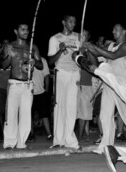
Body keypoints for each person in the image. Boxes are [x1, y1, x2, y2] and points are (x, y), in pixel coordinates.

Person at [83, 23, 126, 153]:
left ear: (124, 31)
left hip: (121, 83)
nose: (113, 31)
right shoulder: (110, 46)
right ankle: (106, 145)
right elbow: (97, 58)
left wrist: (93, 46)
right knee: (105, 114)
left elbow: (112, 56)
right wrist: (88, 49)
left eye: (116, 29)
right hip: (109, 83)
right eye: (113, 29)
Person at [0, 22, 43, 149]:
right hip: (14, 84)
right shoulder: (10, 46)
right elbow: (3, 65)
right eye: (23, 29)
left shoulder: (33, 47)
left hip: (28, 85)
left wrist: (35, 60)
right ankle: (9, 143)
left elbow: (41, 66)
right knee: (11, 114)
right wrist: (8, 56)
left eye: (27, 29)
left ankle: (22, 142)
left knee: (26, 115)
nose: (26, 32)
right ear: (16, 31)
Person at [48, 14, 81, 150]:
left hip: (75, 73)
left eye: (74, 22)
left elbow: (80, 56)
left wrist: (82, 52)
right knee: (60, 106)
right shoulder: (55, 39)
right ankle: (58, 140)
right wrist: (60, 50)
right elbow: (50, 61)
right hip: (61, 73)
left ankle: (70, 140)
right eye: (70, 21)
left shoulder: (78, 37)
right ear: (64, 22)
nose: (73, 24)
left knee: (72, 108)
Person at [76, 30, 97, 143]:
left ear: (88, 37)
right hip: (74, 84)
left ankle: (80, 137)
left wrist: (88, 52)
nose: (82, 36)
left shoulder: (89, 50)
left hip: (86, 84)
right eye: (81, 34)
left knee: (84, 113)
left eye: (84, 35)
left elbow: (94, 65)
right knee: (76, 112)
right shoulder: (75, 47)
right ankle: (76, 135)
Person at [31, 57, 52, 140]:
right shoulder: (25, 57)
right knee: (29, 115)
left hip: (41, 91)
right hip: (29, 91)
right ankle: (31, 134)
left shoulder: (42, 60)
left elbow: (47, 75)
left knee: (44, 114)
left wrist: (46, 91)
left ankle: (49, 134)